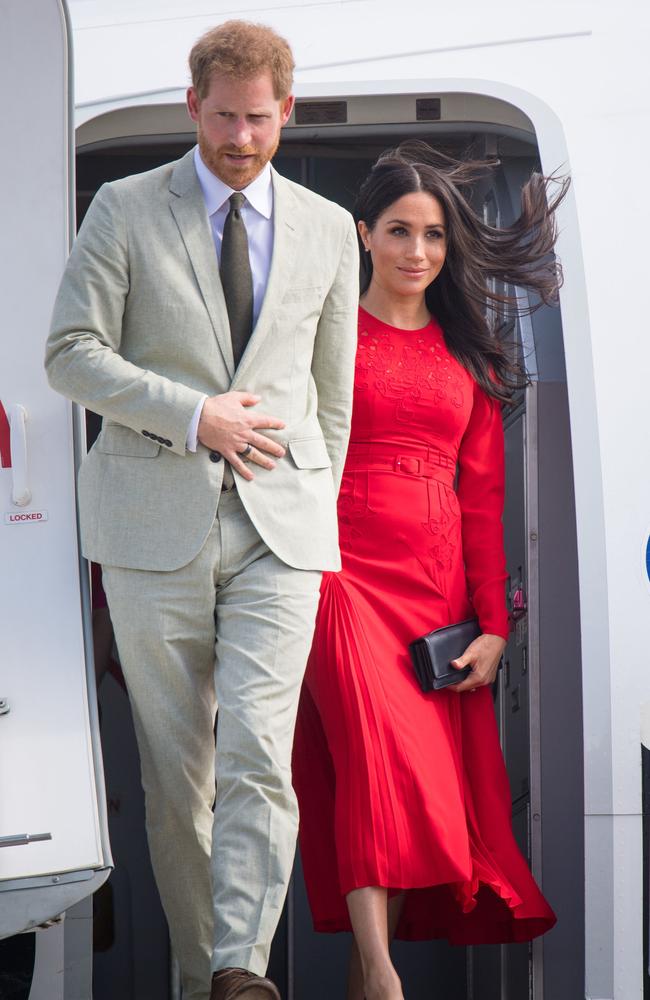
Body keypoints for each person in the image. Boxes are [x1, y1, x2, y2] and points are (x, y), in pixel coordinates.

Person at [45, 20, 358, 1000]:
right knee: (178, 783)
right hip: (150, 524)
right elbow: (70, 355)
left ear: (285, 111)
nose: (239, 138)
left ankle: (238, 969)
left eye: (257, 120)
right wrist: (193, 416)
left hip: (280, 526)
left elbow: (331, 397)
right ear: (193, 107)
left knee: (262, 750)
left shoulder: (326, 228)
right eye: (222, 118)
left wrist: (309, 502)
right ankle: (197, 976)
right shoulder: (124, 208)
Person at [292, 141, 567, 1000]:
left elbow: (483, 508)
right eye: (401, 232)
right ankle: (381, 971)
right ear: (364, 235)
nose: (419, 252)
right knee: (374, 762)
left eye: (436, 236)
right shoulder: (318, 338)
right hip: (338, 574)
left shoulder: (469, 357)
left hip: (435, 589)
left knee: (418, 787)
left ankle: (363, 974)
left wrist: (494, 630)